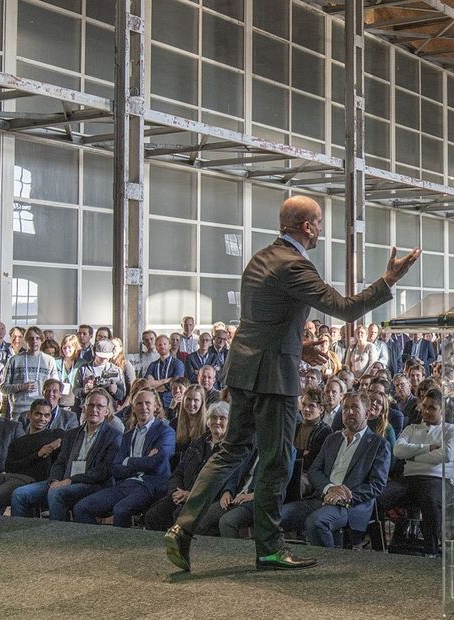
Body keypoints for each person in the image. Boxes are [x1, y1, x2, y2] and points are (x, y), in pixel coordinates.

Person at [164, 195, 419, 572]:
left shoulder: (260, 259)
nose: (320, 228)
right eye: (318, 222)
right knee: (277, 459)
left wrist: (296, 345)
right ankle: (269, 548)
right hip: (273, 376)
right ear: (307, 226)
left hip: (245, 369)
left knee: (230, 451)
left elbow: (263, 320)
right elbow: (345, 308)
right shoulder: (295, 266)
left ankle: (182, 528)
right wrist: (389, 280)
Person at [280, 392, 391, 548]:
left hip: (350, 505)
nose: (349, 412)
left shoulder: (378, 444)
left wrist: (343, 496)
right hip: (322, 496)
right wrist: (329, 489)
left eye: (355, 408)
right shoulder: (332, 438)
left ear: (367, 413)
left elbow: (377, 485)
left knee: (316, 523)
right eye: (345, 408)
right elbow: (314, 471)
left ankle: (329, 566)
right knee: (278, 516)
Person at [10, 389, 122, 521]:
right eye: (90, 405)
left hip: (92, 484)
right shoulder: (71, 434)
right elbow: (60, 462)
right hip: (63, 480)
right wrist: (54, 480)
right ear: (84, 408)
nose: (94, 410)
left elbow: (103, 471)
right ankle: (22, 537)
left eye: (100, 406)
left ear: (106, 411)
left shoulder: (114, 436)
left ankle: (59, 536)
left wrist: (71, 481)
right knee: (19, 494)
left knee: (57, 493)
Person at [74, 389, 175, 527]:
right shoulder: (127, 435)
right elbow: (115, 468)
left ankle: (123, 548)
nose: (143, 407)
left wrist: (128, 461)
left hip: (151, 485)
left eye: (147, 403)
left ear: (156, 406)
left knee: (121, 510)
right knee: (81, 507)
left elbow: (156, 462)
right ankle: (94, 545)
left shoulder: (166, 431)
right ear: (133, 407)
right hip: (126, 484)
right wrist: (141, 462)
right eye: (139, 403)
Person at [379, 388, 454, 556]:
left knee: (430, 500)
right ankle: (379, 546)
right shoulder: (412, 428)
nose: (426, 411)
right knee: (379, 497)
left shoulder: (451, 430)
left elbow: (446, 455)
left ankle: (431, 551)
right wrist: (428, 448)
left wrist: (413, 457)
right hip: (409, 479)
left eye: (432, 408)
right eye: (424, 407)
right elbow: (398, 451)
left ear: (442, 409)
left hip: (438, 479)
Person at [144, 402, 230, 531]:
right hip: (181, 493)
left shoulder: (229, 449)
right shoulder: (198, 444)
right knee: (153, 515)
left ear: (229, 423)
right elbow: (179, 472)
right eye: (213, 417)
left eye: (222, 418)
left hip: (204, 499)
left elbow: (221, 482)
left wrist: (191, 495)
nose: (217, 421)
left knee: (179, 516)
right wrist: (175, 491)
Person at [0, 400, 64, 514]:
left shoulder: (56, 433)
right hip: (12, 475)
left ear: (50, 417)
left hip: (33, 479)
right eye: (38, 414)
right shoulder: (18, 442)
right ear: (29, 415)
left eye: (46, 415)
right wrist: (38, 455)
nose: (42, 419)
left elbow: (70, 436)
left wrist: (57, 442)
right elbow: (10, 467)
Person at [1, 326, 58, 415]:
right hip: (18, 411)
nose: (34, 341)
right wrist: (21, 387)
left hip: (41, 411)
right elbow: (3, 388)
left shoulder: (49, 360)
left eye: (37, 338)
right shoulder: (14, 360)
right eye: (31, 338)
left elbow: (55, 387)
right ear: (26, 340)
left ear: (42, 340)